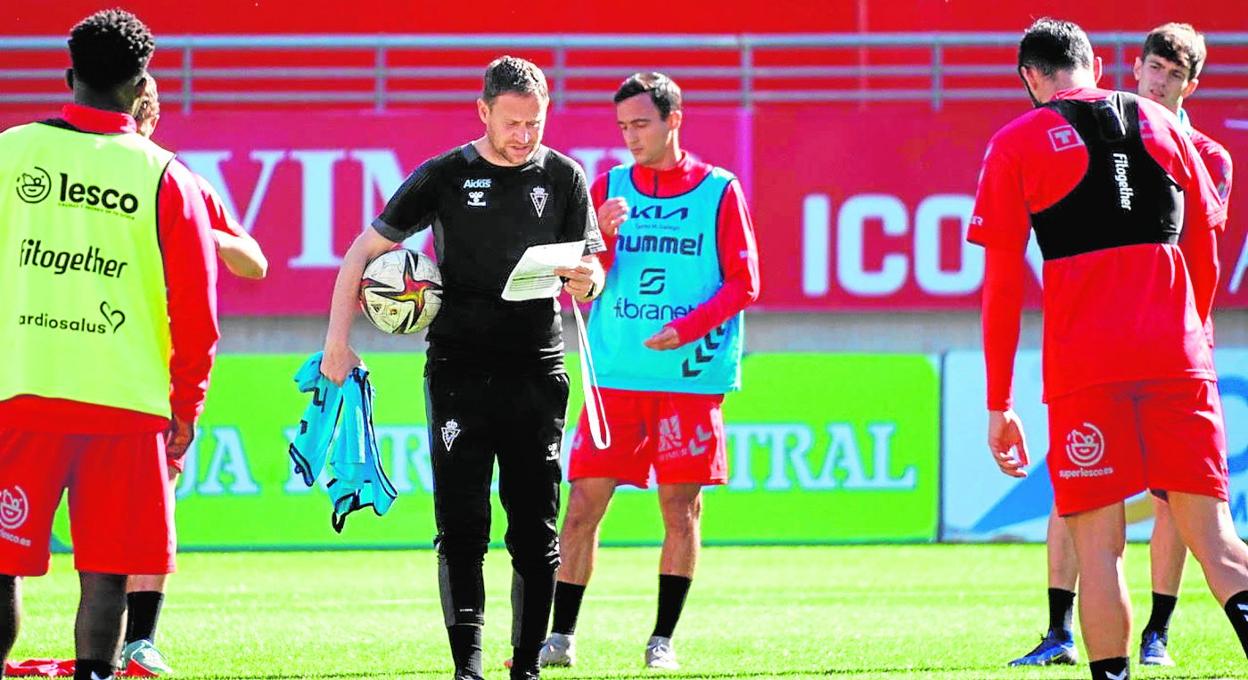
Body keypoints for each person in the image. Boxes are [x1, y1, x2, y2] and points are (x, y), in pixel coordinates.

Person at [972, 17, 1248, 680]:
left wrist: (999, 402)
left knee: (1100, 547)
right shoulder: (1167, 127)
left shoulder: (1017, 142)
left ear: (1031, 79)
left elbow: (1002, 286)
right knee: (1215, 536)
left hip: (1086, 366)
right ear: (1095, 62)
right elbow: (1204, 255)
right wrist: (1194, 339)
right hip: (1179, 357)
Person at [319, 56, 604, 680]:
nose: (525, 135)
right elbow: (360, 255)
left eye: (535, 122)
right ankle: (467, 669)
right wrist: (337, 345)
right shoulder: (445, 175)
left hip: (538, 369)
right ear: (483, 112)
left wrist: (588, 277)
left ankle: (525, 667)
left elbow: (590, 274)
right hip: (459, 371)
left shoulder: (565, 177)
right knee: (463, 527)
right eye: (512, 122)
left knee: (535, 530)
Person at [0, 9, 219, 680]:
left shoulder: (10, 152)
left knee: (2, 563)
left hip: (20, 393)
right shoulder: (169, 178)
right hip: (124, 406)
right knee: (107, 575)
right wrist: (188, 406)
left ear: (70, 77)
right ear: (141, 83)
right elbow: (196, 312)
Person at [535, 72, 759, 671]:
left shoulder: (719, 190)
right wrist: (596, 241)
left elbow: (746, 283)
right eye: (623, 127)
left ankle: (662, 639)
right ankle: (562, 636)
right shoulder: (605, 187)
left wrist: (686, 329)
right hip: (615, 382)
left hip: (688, 380)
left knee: (680, 510)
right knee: (581, 505)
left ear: (673, 120)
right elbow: (579, 283)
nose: (631, 137)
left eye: (641, 124)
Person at [120, 75, 268, 676]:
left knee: (156, 503)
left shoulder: (178, 185)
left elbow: (254, 261)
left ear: (151, 120)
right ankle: (112, 637)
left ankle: (137, 641)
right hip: (96, 362)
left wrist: (196, 232)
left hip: (157, 371)